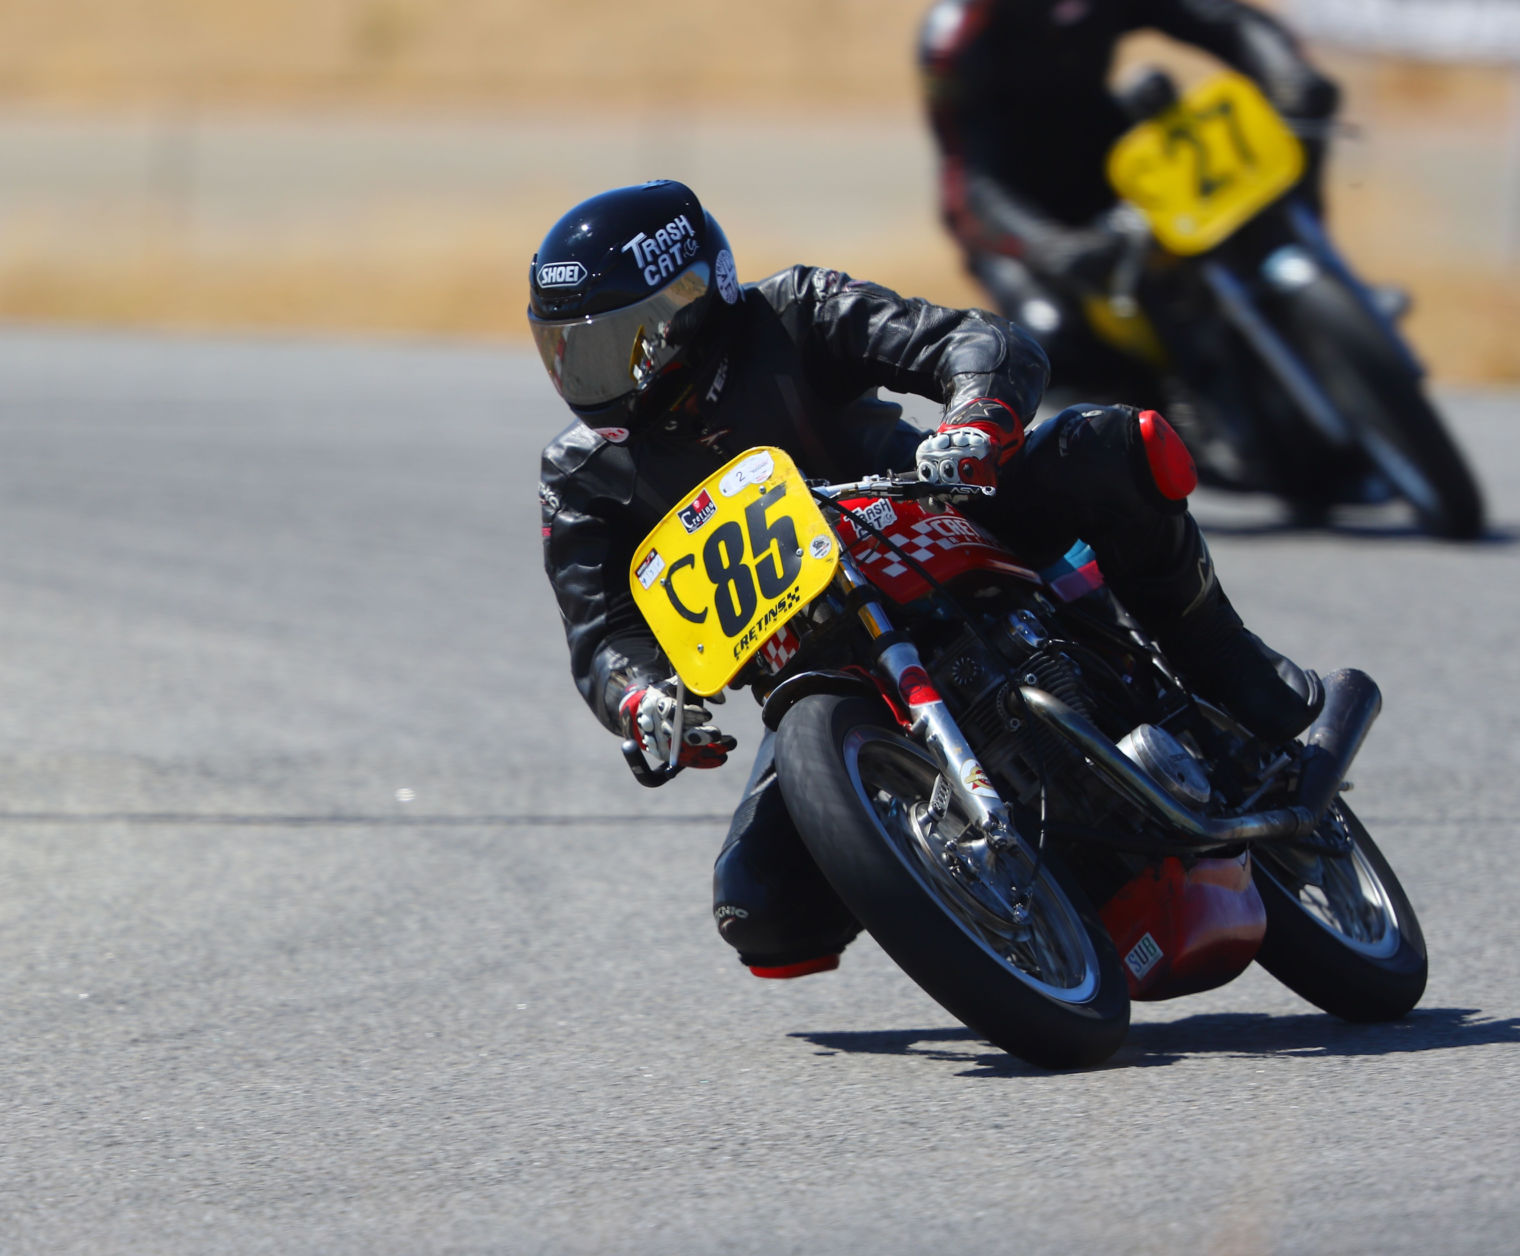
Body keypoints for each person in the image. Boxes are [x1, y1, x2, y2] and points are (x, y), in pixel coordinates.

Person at [534, 180, 1321, 977]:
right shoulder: (580, 474)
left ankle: (1225, 657)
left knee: (1114, 444)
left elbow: (974, 341)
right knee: (763, 913)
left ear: (693, 300)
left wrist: (976, 416)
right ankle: (966, 878)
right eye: (565, 349)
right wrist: (642, 698)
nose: (588, 374)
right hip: (816, 658)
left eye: (613, 343)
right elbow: (602, 632)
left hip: (948, 520)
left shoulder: (794, 312)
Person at [919, 0, 1341, 403]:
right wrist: (1047, 245)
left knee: (1262, 173)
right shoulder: (956, 33)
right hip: (1011, 216)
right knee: (1052, 336)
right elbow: (966, 179)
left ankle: (1330, 287)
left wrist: (1287, 74)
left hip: (1104, 159)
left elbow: (1225, 17)